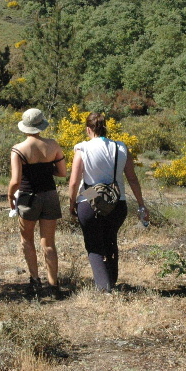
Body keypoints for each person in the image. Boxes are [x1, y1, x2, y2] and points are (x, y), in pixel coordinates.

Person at [68, 112, 148, 292]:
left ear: (88, 129)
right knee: (110, 239)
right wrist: (142, 204)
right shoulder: (121, 148)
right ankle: (111, 280)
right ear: (106, 128)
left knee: (94, 243)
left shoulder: (82, 148)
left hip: (89, 198)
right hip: (117, 200)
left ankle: (104, 288)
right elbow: (132, 179)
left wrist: (72, 203)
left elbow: (74, 181)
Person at [8, 108, 67, 296]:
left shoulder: (18, 149)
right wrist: (45, 170)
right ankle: (54, 284)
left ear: (25, 127)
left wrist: (10, 197)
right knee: (49, 242)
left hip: (28, 197)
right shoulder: (53, 145)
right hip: (50, 195)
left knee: (27, 240)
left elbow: (16, 181)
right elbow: (62, 172)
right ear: (41, 125)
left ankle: (35, 281)